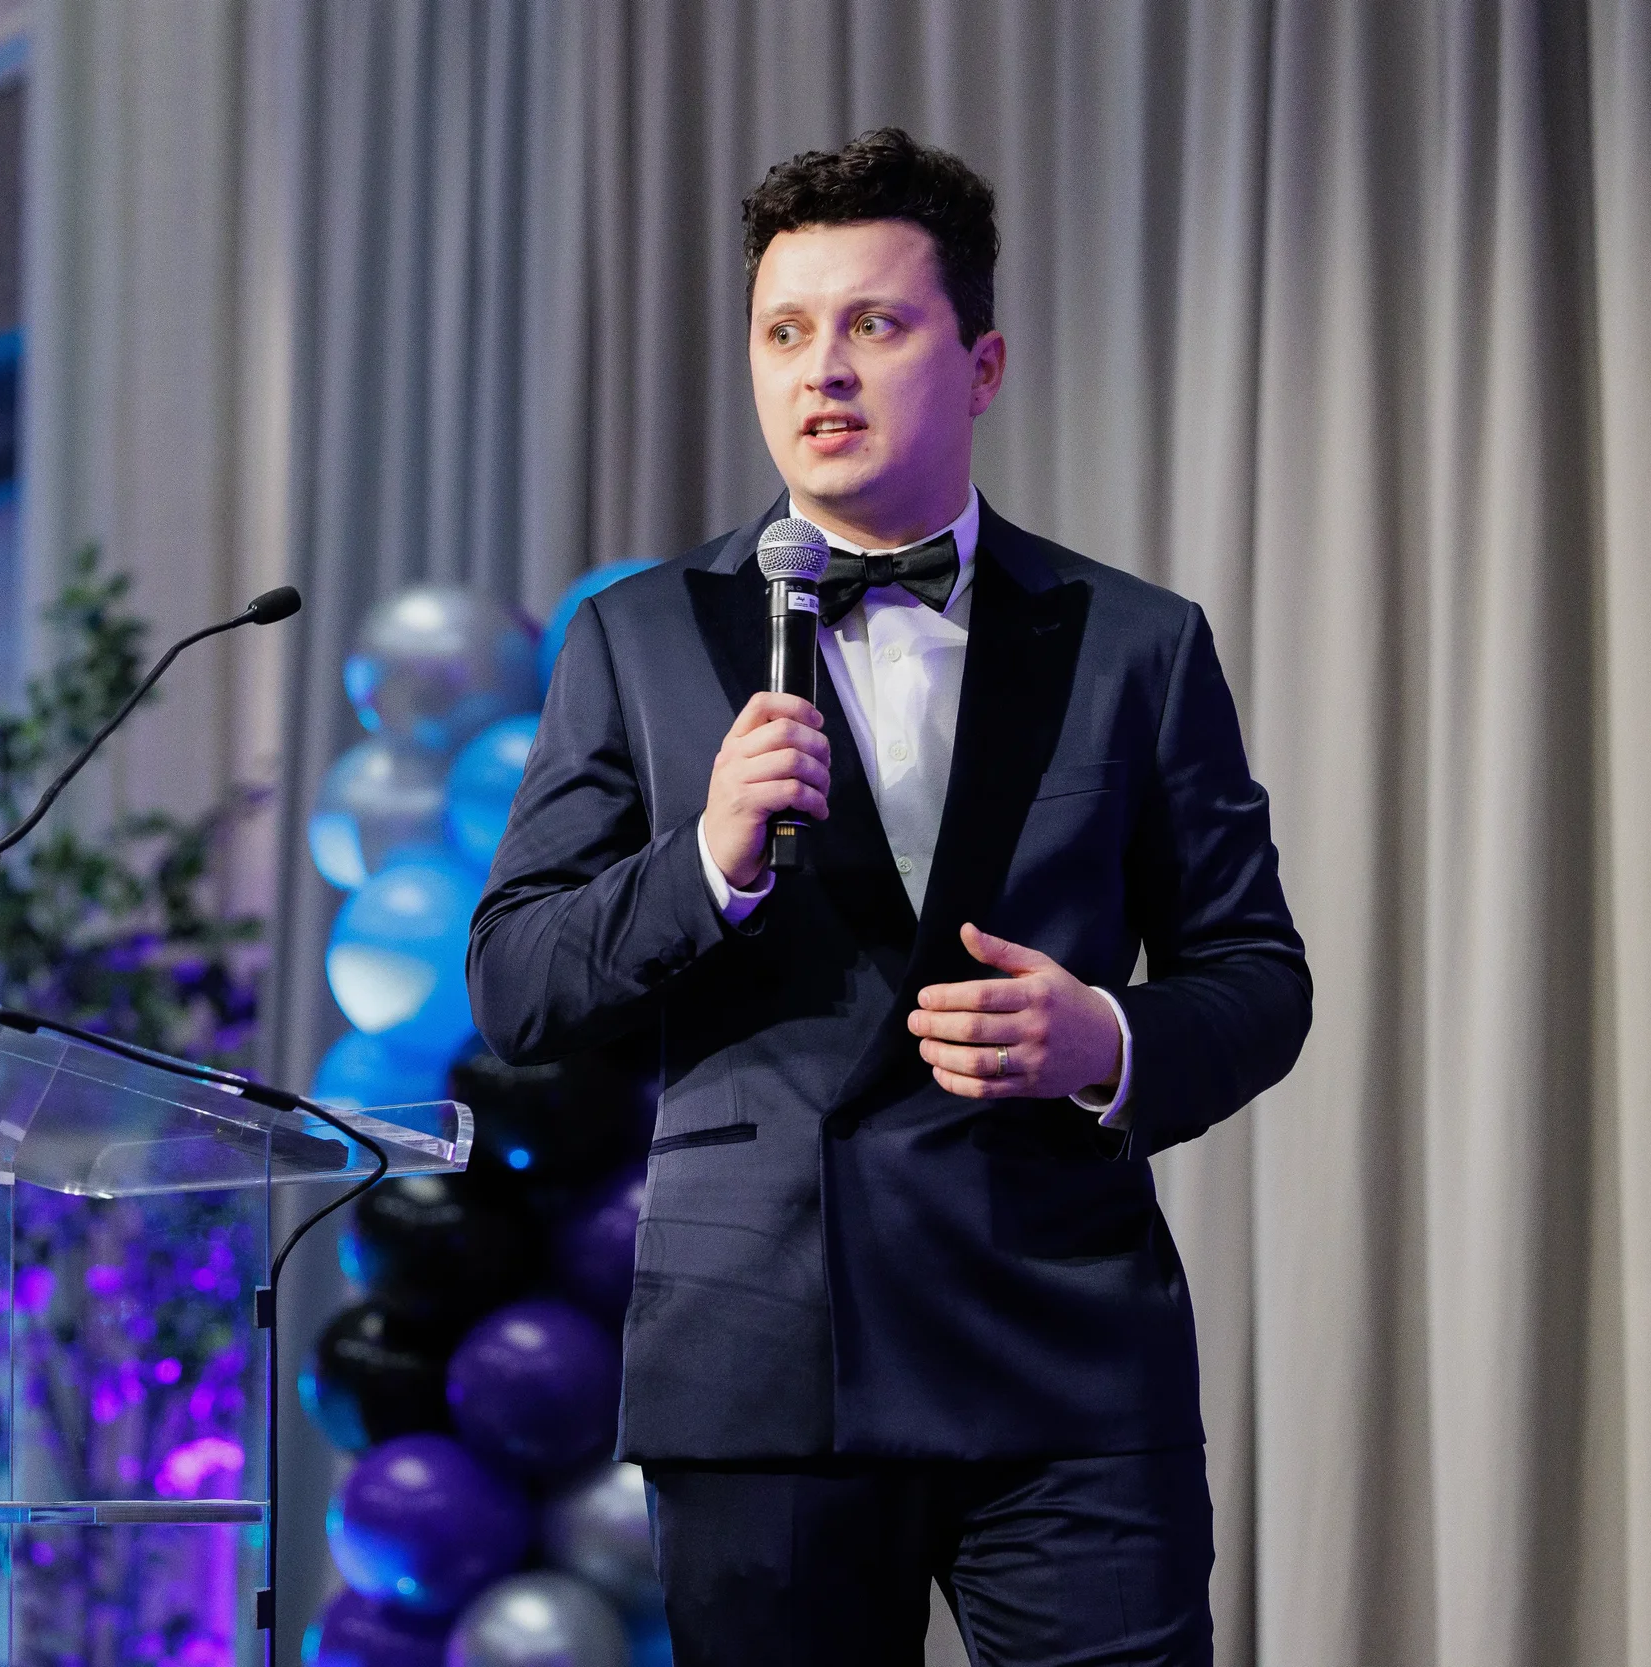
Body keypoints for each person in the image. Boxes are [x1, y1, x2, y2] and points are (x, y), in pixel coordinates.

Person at [467, 128, 1311, 1666]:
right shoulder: (640, 639)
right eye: (786, 332)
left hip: (1061, 1356)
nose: (824, 371)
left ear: (980, 365)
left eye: (875, 324)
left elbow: (1257, 971)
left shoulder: (1135, 640)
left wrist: (1106, 1037)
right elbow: (517, 978)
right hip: (760, 1356)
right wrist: (707, 860)